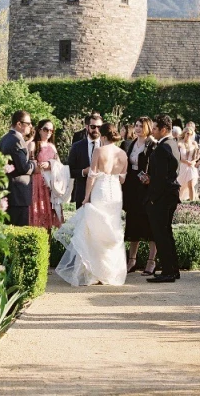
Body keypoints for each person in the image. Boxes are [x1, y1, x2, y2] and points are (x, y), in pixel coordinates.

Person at [56, 123, 128, 286]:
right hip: (115, 193)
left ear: (102, 136)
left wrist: (86, 196)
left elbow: (92, 176)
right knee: (112, 227)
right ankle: (110, 273)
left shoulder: (99, 151)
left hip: (100, 191)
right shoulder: (122, 154)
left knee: (95, 229)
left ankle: (94, 272)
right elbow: (123, 179)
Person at [140, 114, 180, 283]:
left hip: (162, 197)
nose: (153, 131)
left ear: (164, 129)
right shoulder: (172, 144)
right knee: (166, 233)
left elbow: (162, 178)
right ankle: (173, 269)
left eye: (155, 128)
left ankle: (168, 271)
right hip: (169, 195)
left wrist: (152, 197)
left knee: (161, 234)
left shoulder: (164, 147)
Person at [123, 117, 158, 275]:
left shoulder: (152, 144)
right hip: (132, 186)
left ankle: (151, 261)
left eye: (140, 126)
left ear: (148, 127)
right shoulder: (130, 144)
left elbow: (156, 166)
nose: (137, 128)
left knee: (150, 223)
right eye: (136, 126)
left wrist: (149, 178)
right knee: (133, 222)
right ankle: (132, 260)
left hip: (147, 187)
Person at [0, 111, 38, 226]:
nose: (31, 126)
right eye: (28, 123)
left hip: (7, 192)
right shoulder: (17, 141)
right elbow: (23, 168)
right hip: (18, 195)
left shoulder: (4, 139)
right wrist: (34, 165)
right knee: (18, 231)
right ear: (19, 124)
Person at [29, 119, 62, 229]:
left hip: (50, 183)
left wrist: (50, 164)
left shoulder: (52, 146)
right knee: (36, 210)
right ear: (39, 130)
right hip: (37, 182)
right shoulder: (33, 145)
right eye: (46, 129)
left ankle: (48, 242)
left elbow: (59, 164)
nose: (48, 132)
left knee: (48, 211)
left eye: (51, 130)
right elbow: (30, 166)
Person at [68, 113, 102, 207]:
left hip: (101, 194)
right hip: (82, 194)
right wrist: (83, 172)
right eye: (93, 126)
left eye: (99, 127)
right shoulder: (77, 146)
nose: (96, 130)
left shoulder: (106, 146)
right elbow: (69, 171)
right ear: (87, 127)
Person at [177, 125, 200, 201]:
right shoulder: (179, 143)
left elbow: (197, 155)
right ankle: (178, 202)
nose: (189, 135)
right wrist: (185, 161)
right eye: (187, 133)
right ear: (184, 133)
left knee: (191, 185)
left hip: (191, 166)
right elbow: (177, 156)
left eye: (190, 134)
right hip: (183, 166)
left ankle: (192, 202)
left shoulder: (194, 143)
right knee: (181, 186)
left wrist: (193, 161)